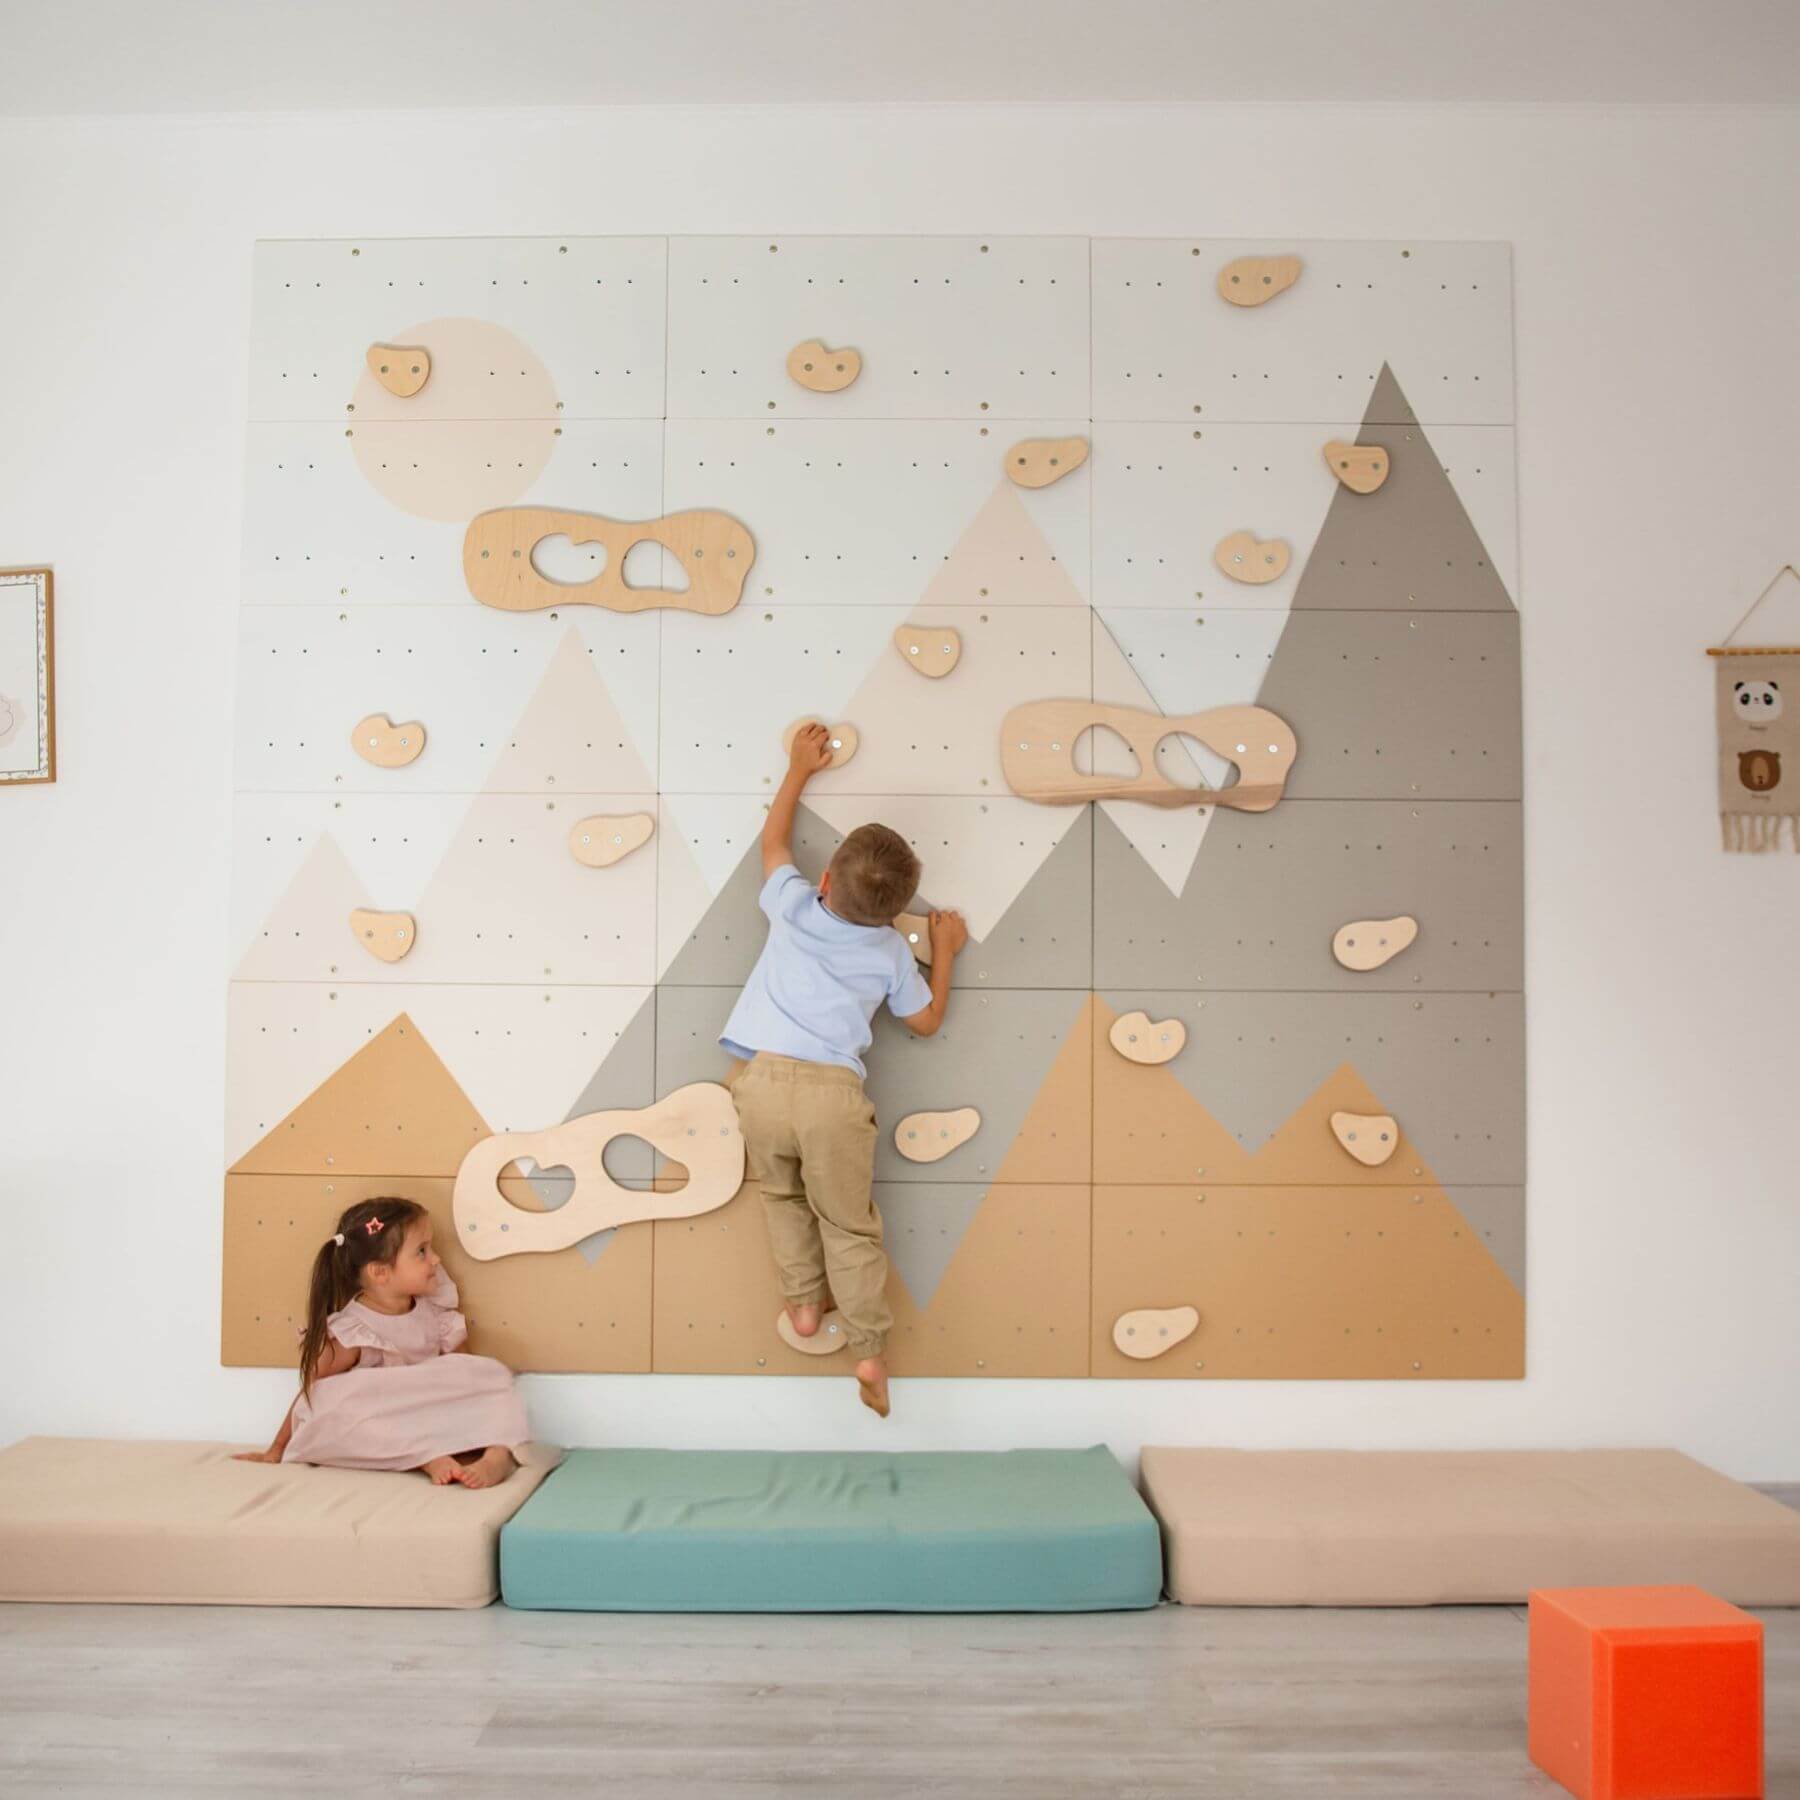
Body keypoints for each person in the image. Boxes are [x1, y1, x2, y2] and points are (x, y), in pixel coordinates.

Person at [719, 722, 968, 1418]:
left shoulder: (794, 905)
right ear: (896, 911)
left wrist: (800, 768)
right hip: (832, 1096)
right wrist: (945, 951)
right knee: (848, 1225)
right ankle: (866, 1350)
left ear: (824, 879)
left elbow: (773, 843)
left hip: (762, 1085)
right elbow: (925, 1022)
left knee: (783, 1199)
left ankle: (804, 1307)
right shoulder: (890, 951)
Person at [236, 1197, 527, 1487]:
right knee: (332, 1402)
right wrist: (276, 1450)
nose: (436, 1259)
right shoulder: (353, 1331)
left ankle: (496, 1455)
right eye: (422, 1251)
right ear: (380, 1272)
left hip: (427, 1411)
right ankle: (427, 1457)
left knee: (491, 1374)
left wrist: (475, 1388)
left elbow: (466, 1373)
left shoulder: (436, 1313)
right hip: (387, 1422)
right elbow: (311, 1396)